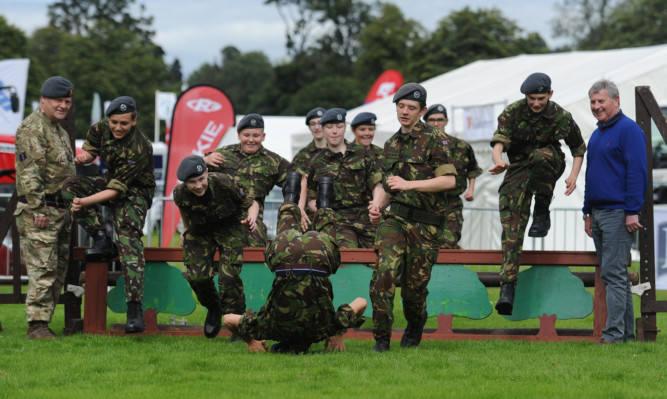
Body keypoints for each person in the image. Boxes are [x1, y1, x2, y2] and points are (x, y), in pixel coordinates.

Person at [223, 173, 367, 353]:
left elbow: (361, 302)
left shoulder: (324, 328)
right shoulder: (269, 328)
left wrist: (338, 331)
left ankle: (324, 197)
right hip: (285, 259)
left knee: (327, 247)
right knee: (287, 235)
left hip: (319, 257)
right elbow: (228, 318)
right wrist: (252, 340)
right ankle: (290, 192)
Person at [368, 83, 457, 352]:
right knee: (383, 274)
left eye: (411, 108)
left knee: (413, 291)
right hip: (395, 220)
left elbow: (448, 180)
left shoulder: (436, 139)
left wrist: (409, 184)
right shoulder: (391, 143)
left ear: (422, 110)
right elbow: (389, 184)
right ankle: (382, 339)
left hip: (427, 224)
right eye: (401, 106)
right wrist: (378, 206)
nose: (405, 112)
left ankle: (415, 324)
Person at [489, 73, 586, 316]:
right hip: (518, 168)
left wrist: (574, 175)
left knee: (540, 157)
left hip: (549, 161)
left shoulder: (560, 116)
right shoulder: (512, 113)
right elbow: (499, 143)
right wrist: (499, 161)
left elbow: (578, 148)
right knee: (511, 219)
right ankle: (508, 287)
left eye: (540, 98)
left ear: (550, 95)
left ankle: (542, 210)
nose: (535, 103)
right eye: (531, 98)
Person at [63, 96, 155, 334]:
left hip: (135, 191)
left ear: (134, 121)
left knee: (128, 239)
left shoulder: (140, 146)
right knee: (69, 186)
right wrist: (84, 157)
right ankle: (102, 239)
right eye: (114, 122)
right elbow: (90, 150)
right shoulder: (101, 128)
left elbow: (115, 191)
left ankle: (134, 309)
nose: (118, 127)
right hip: (110, 181)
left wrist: (83, 202)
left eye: (124, 123)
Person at [583, 79, 647, 344]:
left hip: (618, 213)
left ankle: (612, 336)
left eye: (601, 101)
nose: (596, 106)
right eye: (593, 102)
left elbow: (637, 173)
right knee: (616, 275)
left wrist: (632, 211)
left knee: (614, 274)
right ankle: (626, 335)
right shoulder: (598, 133)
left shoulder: (629, 130)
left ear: (616, 100)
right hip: (598, 213)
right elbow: (591, 175)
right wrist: (587, 211)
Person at [14, 76, 75, 339]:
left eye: (67, 101)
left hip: (60, 210)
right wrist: (38, 210)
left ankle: (44, 323)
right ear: (43, 100)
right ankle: (36, 325)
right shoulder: (32, 128)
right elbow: (30, 174)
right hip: (41, 211)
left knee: (57, 269)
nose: (63, 105)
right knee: (43, 269)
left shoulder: (58, 129)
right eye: (58, 100)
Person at [173, 155, 259, 339]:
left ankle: (237, 321)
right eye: (192, 182)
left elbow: (252, 203)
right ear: (185, 183)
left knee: (229, 277)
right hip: (200, 230)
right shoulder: (179, 193)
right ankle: (214, 308)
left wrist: (252, 217)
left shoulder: (224, 183)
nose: (198, 186)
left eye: (201, 179)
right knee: (197, 278)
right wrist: (186, 229)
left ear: (207, 173)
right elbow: (184, 209)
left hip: (229, 227)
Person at [204, 113, 290, 247]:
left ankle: (253, 268)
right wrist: (204, 160)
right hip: (222, 216)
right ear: (239, 135)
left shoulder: (274, 161)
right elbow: (194, 174)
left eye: (256, 136)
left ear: (263, 136)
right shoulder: (223, 154)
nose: (251, 140)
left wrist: (298, 208)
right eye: (246, 135)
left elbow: (298, 179)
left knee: (255, 246)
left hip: (252, 220)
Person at [305, 108, 384, 248]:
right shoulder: (317, 162)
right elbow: (311, 198)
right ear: (322, 129)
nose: (334, 131)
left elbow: (376, 185)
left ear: (345, 128)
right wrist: (322, 212)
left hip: (367, 218)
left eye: (339, 127)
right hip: (338, 221)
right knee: (346, 255)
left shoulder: (362, 153)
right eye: (329, 127)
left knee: (379, 256)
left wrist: (376, 204)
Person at [424, 104, 483, 248]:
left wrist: (471, 190)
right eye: (432, 120)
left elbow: (472, 169)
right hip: (426, 203)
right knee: (427, 243)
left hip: (451, 202)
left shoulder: (460, 146)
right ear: (426, 122)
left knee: (450, 240)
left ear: (446, 121)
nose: (436, 123)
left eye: (440, 119)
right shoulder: (419, 146)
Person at [291, 107, 327, 226]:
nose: (317, 127)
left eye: (320, 123)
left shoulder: (339, 151)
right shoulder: (302, 156)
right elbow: (295, 187)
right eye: (313, 124)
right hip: (307, 217)